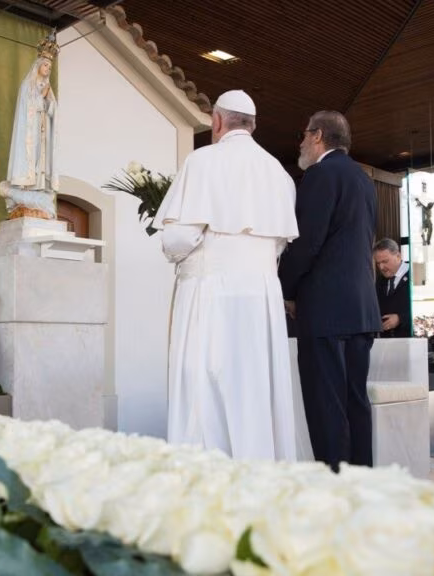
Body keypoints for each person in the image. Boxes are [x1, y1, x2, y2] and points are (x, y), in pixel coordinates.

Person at [152, 90, 301, 462]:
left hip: (210, 292)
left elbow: (181, 236)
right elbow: (280, 244)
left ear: (217, 122)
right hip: (262, 297)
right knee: (254, 385)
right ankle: (259, 465)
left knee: (206, 382)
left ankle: (210, 475)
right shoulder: (279, 173)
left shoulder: (203, 161)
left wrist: (169, 245)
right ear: (251, 124)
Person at [279, 110, 381, 470]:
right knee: (356, 403)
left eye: (304, 135)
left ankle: (335, 489)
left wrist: (284, 289)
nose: (301, 143)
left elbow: (307, 244)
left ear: (318, 135)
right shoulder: (362, 178)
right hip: (361, 309)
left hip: (325, 312)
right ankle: (361, 485)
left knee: (327, 408)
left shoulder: (320, 175)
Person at [0, 35, 60, 219]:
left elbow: (53, 110)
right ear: (38, 65)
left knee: (42, 162)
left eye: (50, 67)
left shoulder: (47, 87)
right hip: (30, 134)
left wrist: (48, 101)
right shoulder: (28, 85)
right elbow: (27, 108)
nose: (47, 69)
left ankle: (39, 191)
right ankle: (25, 192)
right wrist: (41, 99)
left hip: (43, 134)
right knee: (31, 160)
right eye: (45, 65)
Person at [373, 239, 411, 338]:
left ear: (398, 256)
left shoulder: (415, 275)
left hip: (411, 342)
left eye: (385, 261)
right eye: (378, 263)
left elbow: (427, 309)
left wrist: (400, 319)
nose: (381, 267)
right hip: (386, 344)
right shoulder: (380, 280)